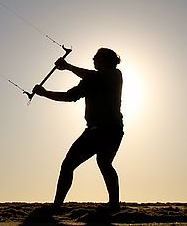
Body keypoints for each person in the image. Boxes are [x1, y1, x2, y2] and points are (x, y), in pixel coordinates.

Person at [33, 47, 124, 210]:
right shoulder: (89, 80)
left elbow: (94, 77)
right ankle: (57, 205)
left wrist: (68, 67)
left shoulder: (114, 75)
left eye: (96, 57)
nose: (93, 59)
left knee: (104, 162)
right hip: (92, 131)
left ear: (106, 59)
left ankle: (114, 204)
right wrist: (45, 93)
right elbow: (70, 96)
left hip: (111, 129)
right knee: (68, 165)